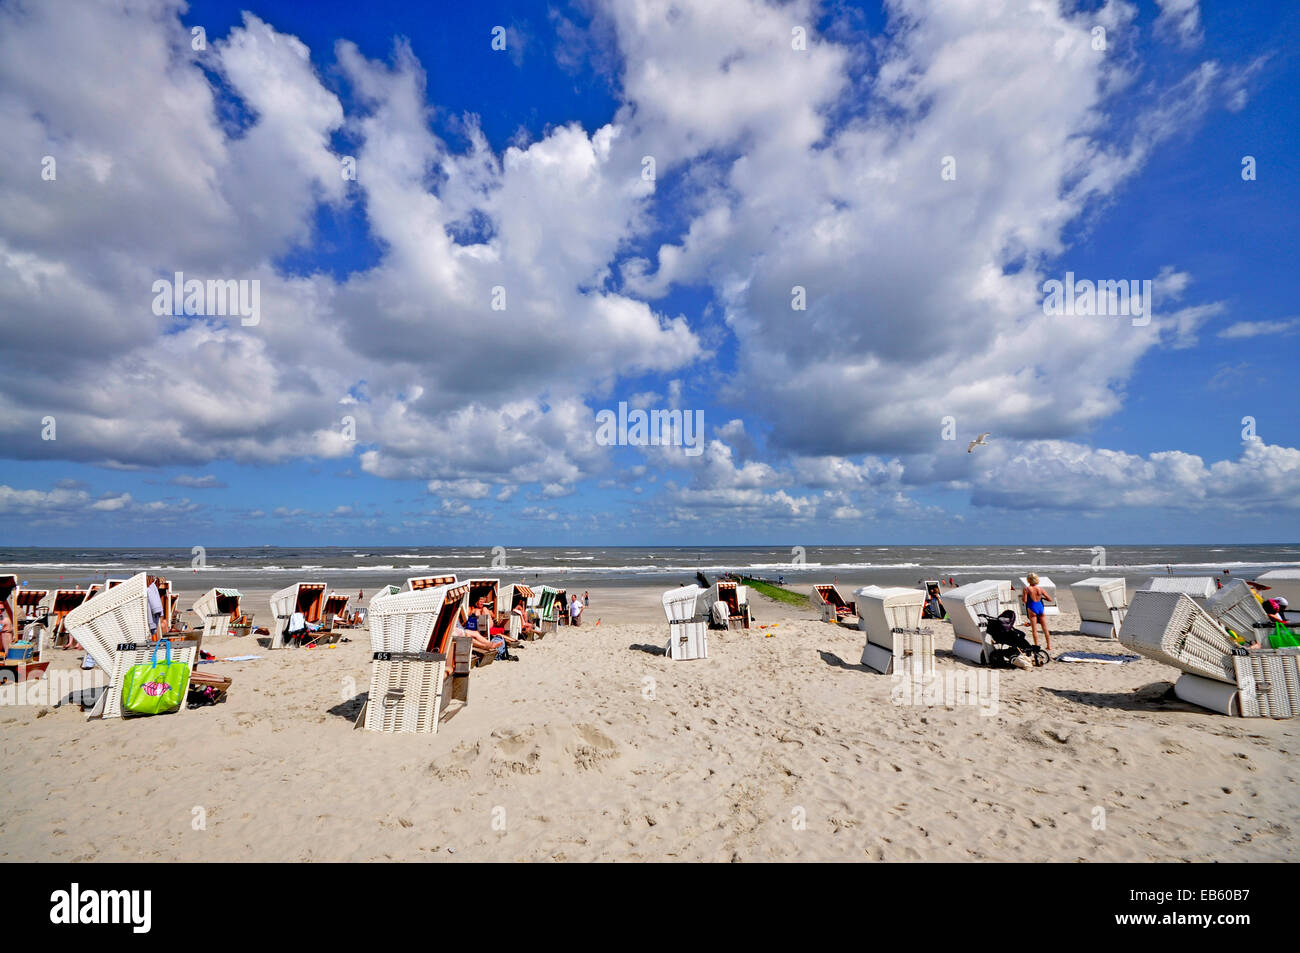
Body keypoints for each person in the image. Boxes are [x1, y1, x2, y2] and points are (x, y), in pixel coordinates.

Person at [1021, 572, 1053, 651]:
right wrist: (1042, 598)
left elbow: (1024, 600)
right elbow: (1050, 599)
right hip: (1040, 607)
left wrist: (1025, 596)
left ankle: (1036, 645)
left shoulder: (1027, 589)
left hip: (1032, 607)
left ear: (1028, 580)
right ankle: (1049, 645)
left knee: (1034, 629)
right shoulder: (1040, 589)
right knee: (1045, 628)